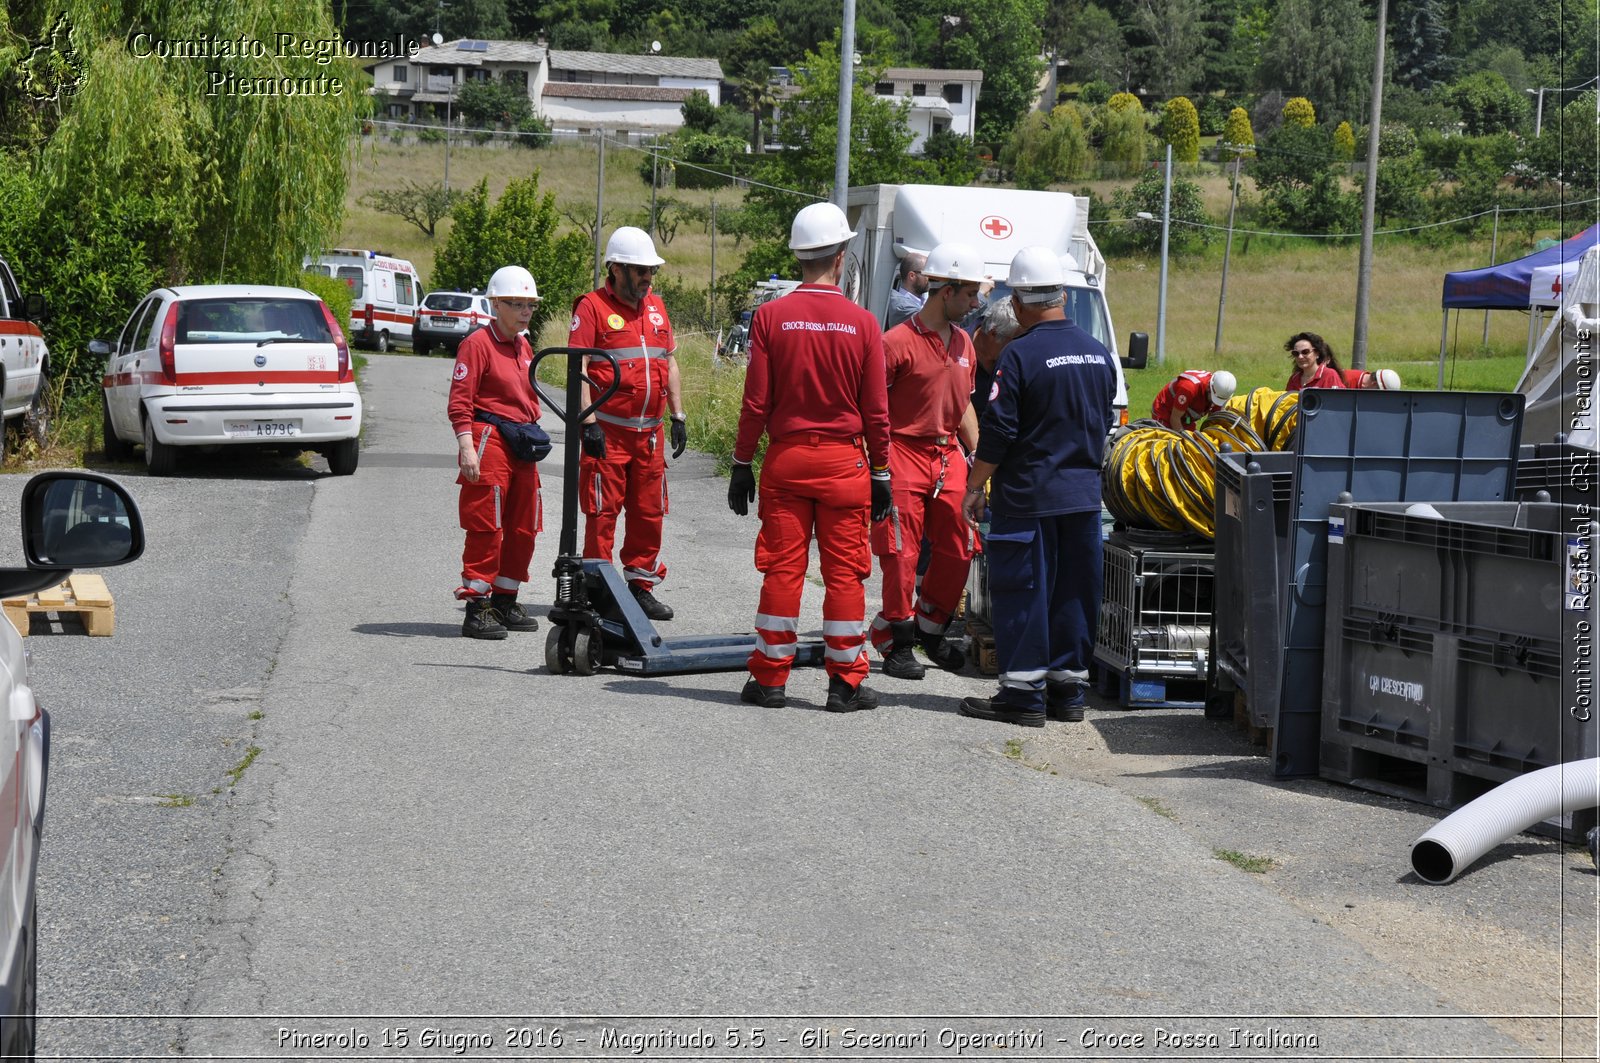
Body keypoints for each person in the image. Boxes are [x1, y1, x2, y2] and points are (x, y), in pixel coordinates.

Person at [727, 201, 892, 713]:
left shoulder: (771, 318)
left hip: (787, 462)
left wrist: (739, 463)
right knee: (845, 575)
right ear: (841, 258)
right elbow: (876, 411)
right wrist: (882, 470)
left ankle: (771, 681)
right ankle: (845, 684)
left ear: (800, 258)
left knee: (783, 572)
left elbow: (756, 402)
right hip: (846, 466)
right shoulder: (863, 324)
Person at [959, 246, 1117, 728]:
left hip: (1027, 499)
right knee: (1074, 593)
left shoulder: (1020, 355)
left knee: (1024, 591)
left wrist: (974, 486)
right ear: (1064, 296)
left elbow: (1001, 430)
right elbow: (1103, 418)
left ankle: (1023, 697)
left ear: (1020, 302)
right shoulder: (1098, 353)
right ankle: (1067, 694)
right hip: (1084, 500)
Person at [868, 241, 986, 681]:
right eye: (970, 294)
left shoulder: (964, 343)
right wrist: (876, 466)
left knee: (961, 545)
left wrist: (978, 457)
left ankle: (928, 631)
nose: (976, 303)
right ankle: (897, 641)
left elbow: (965, 406)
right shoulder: (894, 343)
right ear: (946, 291)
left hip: (947, 455)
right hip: (902, 453)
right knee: (901, 552)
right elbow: (873, 410)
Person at [569, 226, 688, 622]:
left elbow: (668, 361)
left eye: (650, 270)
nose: (647, 278)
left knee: (648, 513)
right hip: (610, 432)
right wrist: (588, 422)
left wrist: (678, 415)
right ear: (615, 269)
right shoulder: (591, 307)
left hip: (649, 435)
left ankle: (640, 587)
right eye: (639, 270)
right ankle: (599, 589)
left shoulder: (656, 306)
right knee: (602, 512)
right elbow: (579, 368)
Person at [448, 265, 546, 640]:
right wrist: (466, 447)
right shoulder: (477, 344)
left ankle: (505, 598)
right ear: (496, 304)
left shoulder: (524, 344)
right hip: (489, 439)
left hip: (521, 440)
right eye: (516, 303)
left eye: (530, 305)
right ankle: (477, 606)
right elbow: (460, 401)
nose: (525, 311)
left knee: (525, 525)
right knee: (486, 523)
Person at [969, 289, 1021, 421]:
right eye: (1014, 342)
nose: (1019, 349)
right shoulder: (957, 348)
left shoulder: (1017, 361)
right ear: (993, 334)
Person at [1150, 369, 1237, 431]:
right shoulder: (1189, 388)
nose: (1215, 402)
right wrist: (1184, 439)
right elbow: (1175, 418)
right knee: (1170, 443)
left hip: (1187, 417)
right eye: (1215, 398)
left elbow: (1212, 420)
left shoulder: (1220, 390)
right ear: (1209, 388)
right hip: (1165, 411)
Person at [883, 250, 929, 331]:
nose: (930, 278)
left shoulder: (921, 300)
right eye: (927, 274)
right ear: (912, 276)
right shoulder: (901, 307)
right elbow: (931, 320)